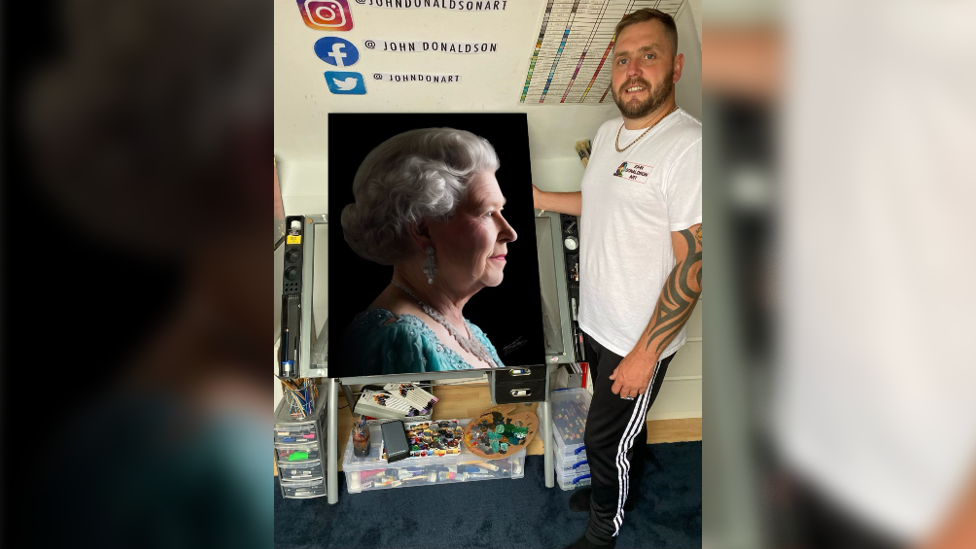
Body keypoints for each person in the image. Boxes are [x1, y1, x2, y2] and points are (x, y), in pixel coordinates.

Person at [533, 9, 702, 549]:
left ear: (675, 67)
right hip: (600, 320)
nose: (632, 70)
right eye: (623, 58)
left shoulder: (689, 147)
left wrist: (645, 353)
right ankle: (616, 478)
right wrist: (538, 199)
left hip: (639, 336)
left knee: (602, 441)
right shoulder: (609, 133)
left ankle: (604, 527)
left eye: (648, 56)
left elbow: (695, 263)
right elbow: (600, 202)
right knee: (620, 432)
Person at [339, 127, 518, 375]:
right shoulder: (399, 336)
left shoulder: (467, 330)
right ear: (423, 230)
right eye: (487, 213)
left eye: (502, 212)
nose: (510, 232)